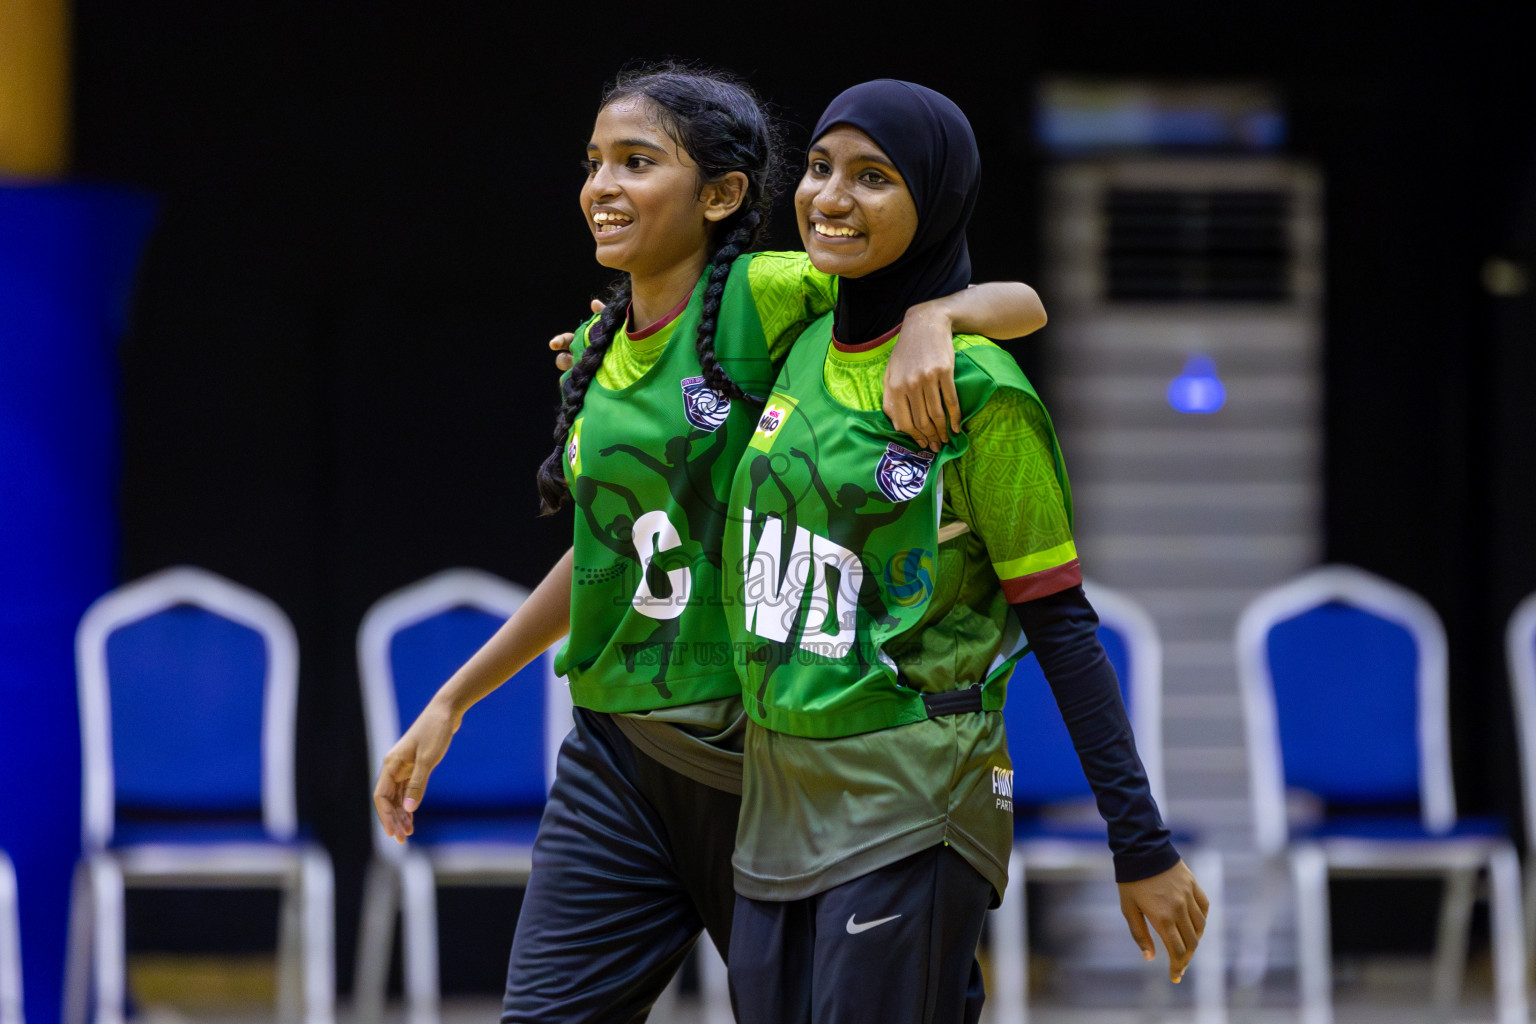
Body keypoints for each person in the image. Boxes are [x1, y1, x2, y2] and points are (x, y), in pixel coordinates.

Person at [371, 64, 1047, 1023]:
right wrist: (453, 699)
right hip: (614, 759)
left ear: (722, 195)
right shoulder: (598, 347)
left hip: (761, 761)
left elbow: (1017, 303)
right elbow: (614, 559)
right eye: (594, 161)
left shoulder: (766, 297)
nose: (601, 185)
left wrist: (938, 314)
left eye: (636, 162)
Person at [721, 80, 1208, 1024]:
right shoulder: (796, 340)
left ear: (936, 200)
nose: (830, 197)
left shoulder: (985, 393)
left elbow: (1062, 626)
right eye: (820, 168)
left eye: (873, 177)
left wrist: (1140, 843)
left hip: (913, 794)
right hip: (776, 802)